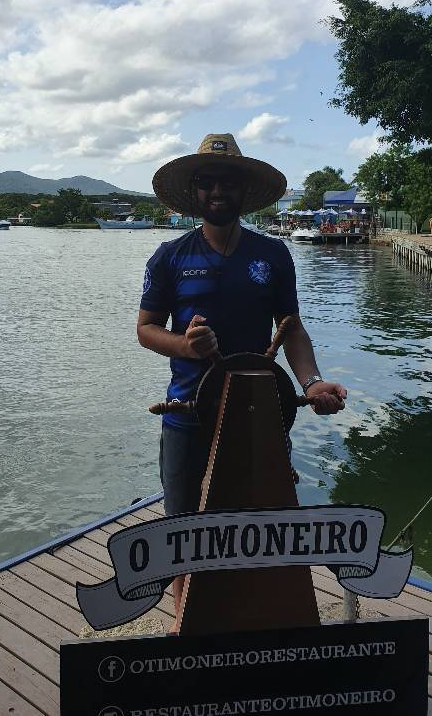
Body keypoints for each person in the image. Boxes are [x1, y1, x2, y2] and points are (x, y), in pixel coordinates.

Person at [137, 133, 347, 627]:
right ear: (195, 192)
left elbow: (290, 330)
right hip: (188, 412)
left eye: (226, 182)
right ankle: (183, 626)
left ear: (242, 190)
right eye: (206, 182)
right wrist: (185, 346)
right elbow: (145, 330)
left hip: (260, 414)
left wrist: (312, 382)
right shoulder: (169, 256)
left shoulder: (272, 255)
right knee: (183, 531)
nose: (216, 191)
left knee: (264, 522)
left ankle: (260, 623)